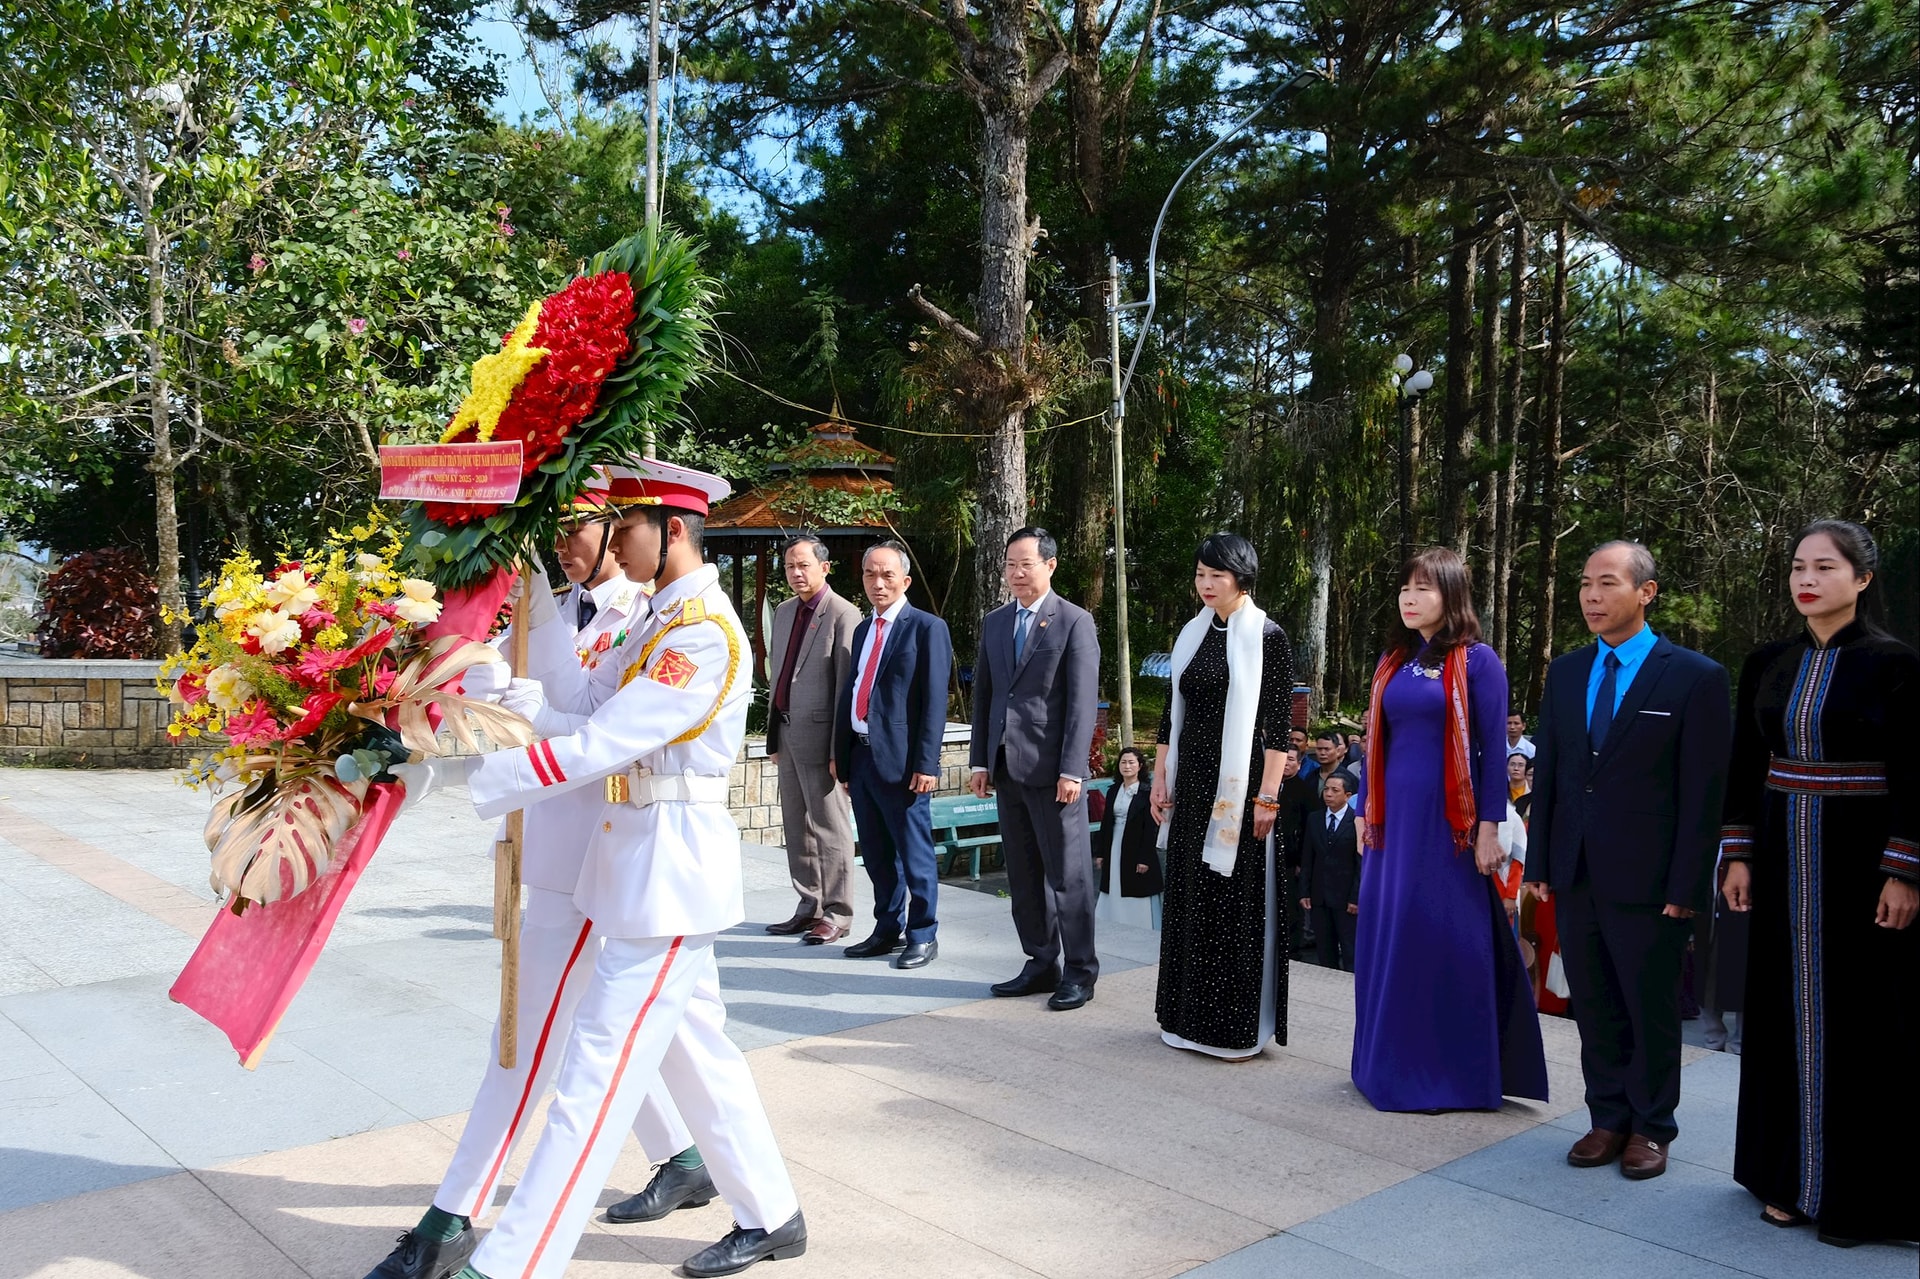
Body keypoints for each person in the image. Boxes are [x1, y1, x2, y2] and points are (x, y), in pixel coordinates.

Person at [392, 459, 806, 1279]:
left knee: (595, 1077)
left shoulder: (701, 632)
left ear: (673, 530)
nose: (614, 539)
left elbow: (603, 745)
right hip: (637, 865)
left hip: (670, 875)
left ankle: (512, 1262)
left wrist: (496, 775)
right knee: (702, 1054)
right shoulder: (657, 620)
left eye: (626, 527)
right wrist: (505, 692)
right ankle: (774, 1214)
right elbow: (579, 711)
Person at [364, 473, 702, 1279]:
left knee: (527, 1041)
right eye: (554, 532)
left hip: (599, 848)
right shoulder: (557, 604)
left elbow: (595, 734)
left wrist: (509, 745)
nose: (572, 544)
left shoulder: (649, 620)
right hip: (569, 845)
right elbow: (531, 702)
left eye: (583, 527)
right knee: (649, 1035)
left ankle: (454, 1215)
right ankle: (694, 1160)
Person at [1719, 520, 1919, 1245]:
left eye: (1825, 567)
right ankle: (1786, 1178)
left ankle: (1857, 1193)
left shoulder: (1898, 666)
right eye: (1799, 566)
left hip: (1861, 863)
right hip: (1777, 860)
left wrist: (1904, 868)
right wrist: (1736, 853)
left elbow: (1915, 777)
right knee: (1780, 1015)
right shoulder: (1767, 662)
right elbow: (1745, 762)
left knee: (1868, 1020)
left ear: (1861, 579)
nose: (1807, 578)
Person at [1522, 541, 1731, 1182]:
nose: (1591, 595)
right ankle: (1606, 1117)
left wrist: (1688, 884)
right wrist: (1539, 864)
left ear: (1646, 592)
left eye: (1606, 583)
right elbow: (1553, 775)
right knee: (1595, 1002)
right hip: (1577, 870)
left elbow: (1703, 793)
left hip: (1651, 881)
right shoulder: (1566, 673)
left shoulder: (1695, 676)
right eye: (1585, 583)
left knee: (1650, 1005)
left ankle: (1652, 1128)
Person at [1351, 547, 1547, 1112]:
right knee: (1391, 938)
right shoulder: (1393, 658)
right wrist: (1363, 806)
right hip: (1391, 829)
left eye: (1424, 589)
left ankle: (1451, 1075)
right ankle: (1383, 1067)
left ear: (1452, 595)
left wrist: (1490, 826)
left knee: (1441, 939)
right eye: (1405, 589)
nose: (1410, 599)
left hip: (1450, 828)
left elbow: (1490, 750)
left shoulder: (1478, 660)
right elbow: (1376, 743)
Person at [1150, 532, 1293, 1061]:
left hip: (1241, 787)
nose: (1206, 585)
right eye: (1200, 575)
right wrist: (1160, 775)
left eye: (1217, 575)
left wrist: (1268, 796)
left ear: (1242, 577)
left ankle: (1231, 1029)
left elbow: (1278, 725)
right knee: (1190, 898)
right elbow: (1171, 713)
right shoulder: (1191, 633)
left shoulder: (1267, 635)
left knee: (1233, 903)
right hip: (1191, 786)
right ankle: (1183, 1019)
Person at [970, 528, 1102, 1005]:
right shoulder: (996, 622)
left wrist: (1073, 770)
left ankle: (1081, 970)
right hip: (1006, 767)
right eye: (1010, 564)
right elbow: (985, 694)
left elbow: (1082, 704)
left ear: (1050, 565)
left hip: (1054, 773)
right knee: (1023, 875)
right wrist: (981, 759)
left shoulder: (1073, 621)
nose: (1016, 573)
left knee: (1068, 876)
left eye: (1026, 564)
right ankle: (1041, 961)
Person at [835, 541, 954, 970]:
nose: (878, 582)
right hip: (863, 758)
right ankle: (887, 928)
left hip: (904, 764)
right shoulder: (864, 630)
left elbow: (933, 704)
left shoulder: (927, 628)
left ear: (904, 580)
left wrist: (927, 764)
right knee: (878, 854)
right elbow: (851, 693)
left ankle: (922, 934)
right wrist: (843, 758)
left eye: (887, 575)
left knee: (914, 853)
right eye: (870, 574)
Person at [764, 534, 862, 945]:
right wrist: (773, 736)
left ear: (824, 567)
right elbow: (779, 674)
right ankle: (809, 905)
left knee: (830, 827)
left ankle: (838, 913)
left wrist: (840, 749)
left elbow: (846, 686)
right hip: (787, 733)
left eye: (803, 565)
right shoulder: (785, 612)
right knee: (795, 826)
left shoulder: (844, 613)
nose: (796, 573)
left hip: (822, 740)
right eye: (789, 566)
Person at [1094, 746, 1163, 931]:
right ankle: (1113, 923)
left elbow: (1151, 828)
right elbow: (1106, 823)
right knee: (1114, 882)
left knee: (1136, 884)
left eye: (1131, 762)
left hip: (1137, 845)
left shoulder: (1148, 793)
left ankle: (1139, 924)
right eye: (1123, 762)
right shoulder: (1113, 791)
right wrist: (1100, 852)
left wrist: (1145, 857)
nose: (1127, 766)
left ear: (1140, 766)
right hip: (1114, 843)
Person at [1300, 770, 1361, 971]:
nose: (1328, 794)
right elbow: (1308, 857)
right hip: (1319, 894)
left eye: (1335, 790)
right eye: (1326, 789)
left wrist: (1355, 897)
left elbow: (1359, 863)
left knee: (1349, 948)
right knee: (1325, 951)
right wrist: (1305, 891)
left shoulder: (1355, 822)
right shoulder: (1315, 819)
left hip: (1345, 897)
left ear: (1348, 795)